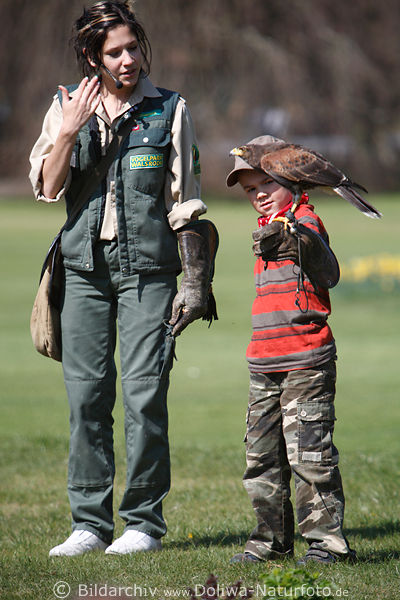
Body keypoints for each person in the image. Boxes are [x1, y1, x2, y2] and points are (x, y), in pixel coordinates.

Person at [29, 0, 217, 557]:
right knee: (86, 397)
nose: (129, 59)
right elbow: (47, 187)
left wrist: (195, 281)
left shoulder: (169, 109)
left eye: (134, 47)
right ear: (93, 56)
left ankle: (142, 524)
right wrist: (69, 131)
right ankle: (88, 525)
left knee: (144, 394)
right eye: (115, 51)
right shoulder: (65, 105)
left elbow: (184, 202)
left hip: (150, 273)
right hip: (84, 271)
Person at [226, 135, 356, 565]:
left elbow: (323, 262)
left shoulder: (304, 219)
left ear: (289, 180)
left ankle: (327, 545)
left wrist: (298, 238)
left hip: (306, 360)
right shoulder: (267, 226)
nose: (259, 193)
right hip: (263, 360)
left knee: (310, 458)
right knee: (262, 460)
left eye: (267, 183)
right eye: (250, 189)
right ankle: (271, 542)